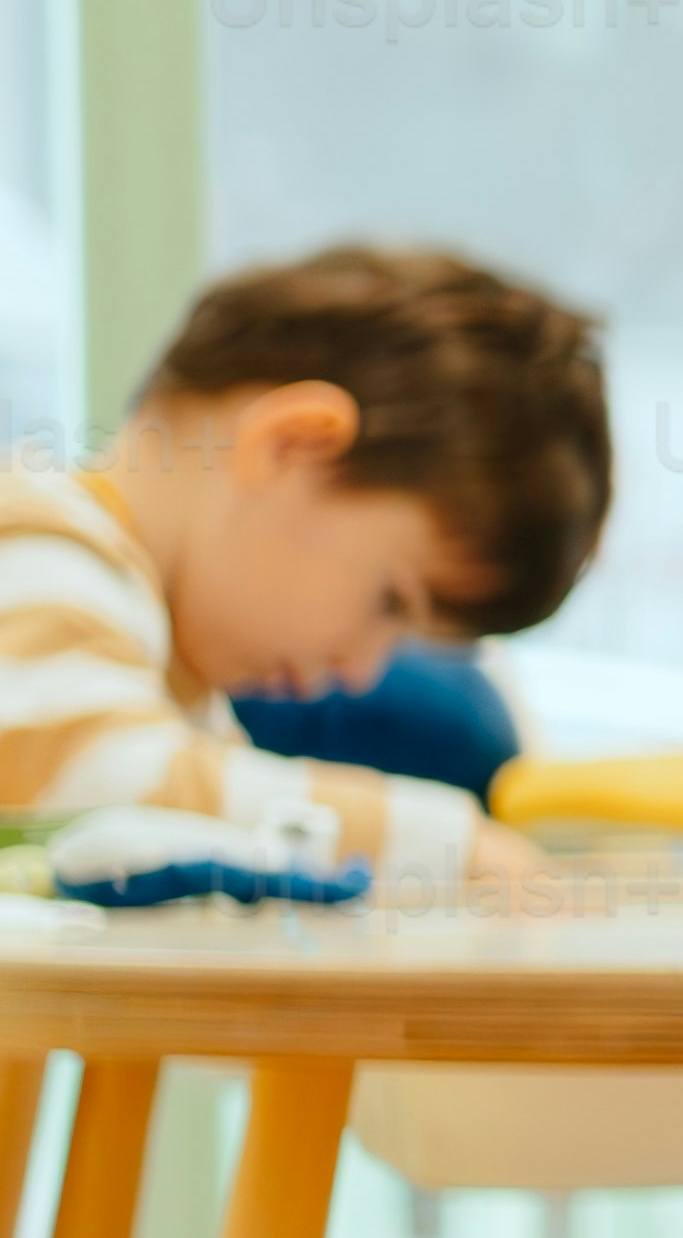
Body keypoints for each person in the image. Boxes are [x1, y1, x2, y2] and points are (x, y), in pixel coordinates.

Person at [0, 241, 610, 880]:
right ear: (291, 446)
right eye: (391, 602)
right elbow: (94, 790)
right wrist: (452, 845)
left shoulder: (176, 686)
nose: (363, 671)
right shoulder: (37, 547)